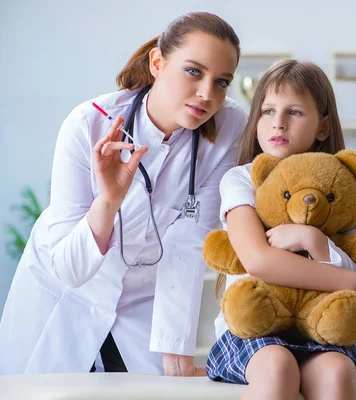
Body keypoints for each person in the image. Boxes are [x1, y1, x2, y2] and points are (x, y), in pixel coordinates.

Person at [0, 12, 247, 376]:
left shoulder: (229, 126)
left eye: (222, 81)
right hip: (63, 294)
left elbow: (190, 238)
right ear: (158, 62)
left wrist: (175, 346)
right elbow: (69, 269)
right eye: (193, 71)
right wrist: (108, 202)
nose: (207, 94)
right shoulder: (88, 123)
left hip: (143, 303)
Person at [206, 59, 356, 400]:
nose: (278, 123)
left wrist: (315, 241)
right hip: (255, 328)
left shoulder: (339, 187)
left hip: (322, 329)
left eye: (294, 113)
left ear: (323, 127)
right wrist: (354, 282)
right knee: (277, 365)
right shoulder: (242, 180)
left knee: (336, 371)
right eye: (267, 111)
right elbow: (258, 260)